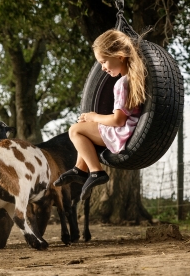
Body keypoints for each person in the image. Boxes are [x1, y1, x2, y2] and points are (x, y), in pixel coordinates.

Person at [54, 29, 146, 200]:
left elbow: (118, 120)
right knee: (85, 129)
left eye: (104, 61)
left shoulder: (121, 84)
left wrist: (94, 116)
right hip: (132, 130)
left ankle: (96, 172)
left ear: (119, 56)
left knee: (75, 130)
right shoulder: (135, 78)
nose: (102, 68)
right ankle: (80, 169)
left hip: (124, 133)